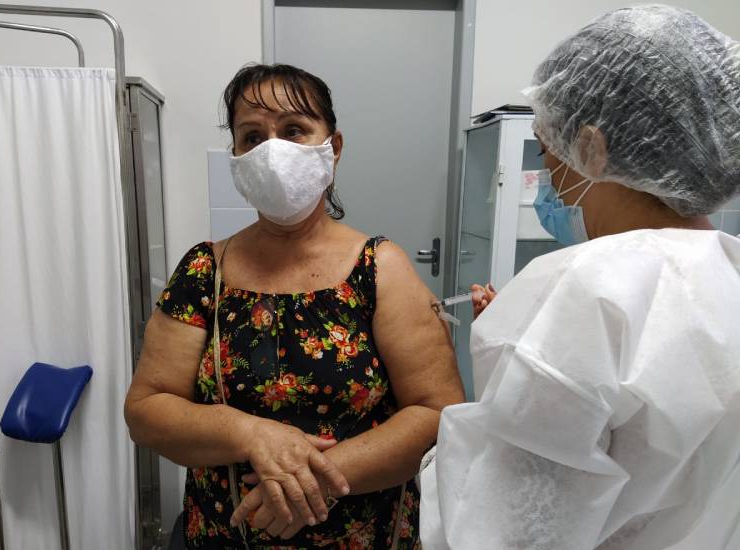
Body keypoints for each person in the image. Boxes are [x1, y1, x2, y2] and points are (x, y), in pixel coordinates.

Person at [420, 5, 740, 549]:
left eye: (548, 154)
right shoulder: (726, 268)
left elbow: (501, 530)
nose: (550, 178)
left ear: (591, 147)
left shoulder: (584, 287)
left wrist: (438, 462)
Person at [124, 63, 464, 549]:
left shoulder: (379, 268)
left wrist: (314, 481)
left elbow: (436, 412)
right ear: (237, 156)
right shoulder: (203, 272)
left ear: (333, 147)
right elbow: (146, 410)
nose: (273, 150)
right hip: (225, 536)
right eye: (252, 137)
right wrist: (251, 434)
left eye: (293, 130)